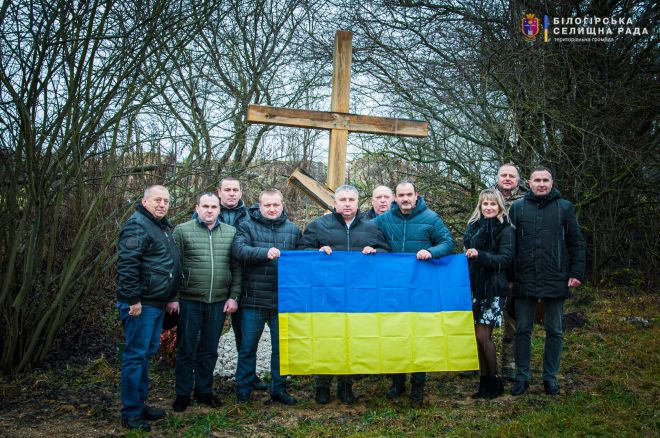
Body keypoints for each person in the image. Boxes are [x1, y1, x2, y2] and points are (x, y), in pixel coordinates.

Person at [298, 184, 390, 404]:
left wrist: (375, 252)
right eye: (343, 200)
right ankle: (322, 386)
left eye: (351, 200)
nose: (347, 204)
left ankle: (346, 386)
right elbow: (301, 251)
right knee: (326, 339)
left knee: (351, 339)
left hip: (358, 296)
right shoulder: (319, 226)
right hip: (326, 295)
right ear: (335, 203)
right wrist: (317, 252)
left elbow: (388, 253)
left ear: (358, 203)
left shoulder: (371, 228)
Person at [373, 180, 455, 404]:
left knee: (419, 337)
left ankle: (418, 385)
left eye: (409, 194)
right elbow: (363, 234)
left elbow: (448, 243)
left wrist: (430, 251)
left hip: (421, 288)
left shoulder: (431, 218)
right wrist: (371, 248)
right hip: (392, 288)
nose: (405, 198)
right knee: (395, 334)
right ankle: (397, 383)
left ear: (416, 196)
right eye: (401, 195)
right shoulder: (383, 219)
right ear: (395, 198)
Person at [509, 167, 586, 396]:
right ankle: (522, 377)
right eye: (537, 180)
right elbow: (509, 245)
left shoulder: (564, 208)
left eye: (545, 180)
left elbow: (576, 242)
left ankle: (549, 378)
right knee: (522, 330)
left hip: (556, 277)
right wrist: (509, 278)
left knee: (555, 330)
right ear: (529, 183)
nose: (541, 184)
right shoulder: (518, 208)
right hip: (524, 278)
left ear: (552, 183)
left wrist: (577, 272)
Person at [116, 185, 182, 431]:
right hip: (140, 305)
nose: (162, 204)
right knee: (135, 357)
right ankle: (130, 413)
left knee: (145, 355)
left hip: (157, 304)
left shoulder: (161, 227)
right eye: (157, 200)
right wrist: (133, 300)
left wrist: (172, 296)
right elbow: (127, 266)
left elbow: (168, 265)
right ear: (144, 202)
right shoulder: (137, 225)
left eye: (166, 200)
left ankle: (140, 404)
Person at [171, 193, 241, 412]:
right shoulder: (182, 231)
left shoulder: (231, 233)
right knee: (186, 349)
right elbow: (174, 266)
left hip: (218, 302)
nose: (210, 210)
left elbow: (237, 268)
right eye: (205, 206)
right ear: (197, 207)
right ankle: (182, 393)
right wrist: (173, 298)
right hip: (189, 301)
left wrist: (234, 296)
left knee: (210, 349)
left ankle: (204, 391)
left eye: (213, 206)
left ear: (219, 209)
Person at [232, 189, 302, 405]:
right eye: (267, 205)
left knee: (281, 348)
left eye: (276, 205)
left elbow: (303, 258)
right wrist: (264, 253)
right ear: (259, 206)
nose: (272, 209)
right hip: (253, 300)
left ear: (282, 205)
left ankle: (278, 389)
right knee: (247, 348)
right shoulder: (246, 226)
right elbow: (238, 250)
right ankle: (243, 389)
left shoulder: (293, 230)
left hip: (283, 301)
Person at [216, 176, 267, 392]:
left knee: (243, 334)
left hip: (243, 280)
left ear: (241, 192)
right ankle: (200, 379)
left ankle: (248, 375)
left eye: (235, 189)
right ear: (219, 192)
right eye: (227, 189)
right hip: (216, 278)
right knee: (210, 332)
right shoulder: (208, 210)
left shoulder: (250, 215)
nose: (231, 193)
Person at [463, 189, 514, 399]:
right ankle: (483, 384)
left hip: (494, 289)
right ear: (480, 206)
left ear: (500, 205)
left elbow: (505, 259)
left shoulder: (506, 229)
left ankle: (493, 383)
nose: (489, 207)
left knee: (484, 336)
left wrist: (480, 255)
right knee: (477, 338)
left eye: (493, 204)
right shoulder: (473, 227)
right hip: (476, 288)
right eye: (485, 204)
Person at [495, 163, 526, 381]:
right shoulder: (487, 197)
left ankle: (509, 364)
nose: (507, 178)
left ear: (518, 179)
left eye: (511, 176)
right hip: (490, 268)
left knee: (512, 320)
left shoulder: (526, 201)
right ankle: (477, 362)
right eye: (503, 175)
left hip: (516, 269)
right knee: (480, 317)